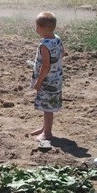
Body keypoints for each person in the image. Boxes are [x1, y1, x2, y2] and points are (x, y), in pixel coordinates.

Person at [29, 11, 64, 141]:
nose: (36, 29)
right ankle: (44, 128)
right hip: (57, 78)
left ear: (42, 28)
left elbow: (45, 66)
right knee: (47, 106)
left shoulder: (44, 45)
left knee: (47, 108)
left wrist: (39, 82)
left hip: (47, 81)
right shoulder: (57, 39)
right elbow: (62, 53)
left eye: (37, 26)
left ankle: (47, 133)